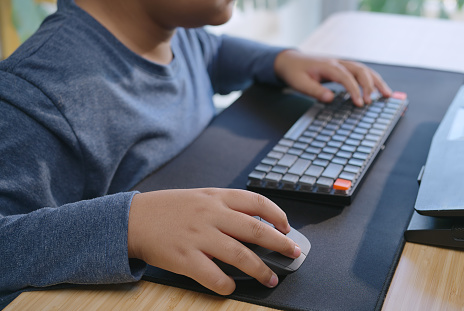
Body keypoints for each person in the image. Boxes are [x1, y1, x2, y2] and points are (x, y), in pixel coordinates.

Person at [0, 0, 392, 307]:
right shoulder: (33, 96)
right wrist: (130, 226)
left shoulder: (174, 30)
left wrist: (275, 60)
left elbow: (212, 52)